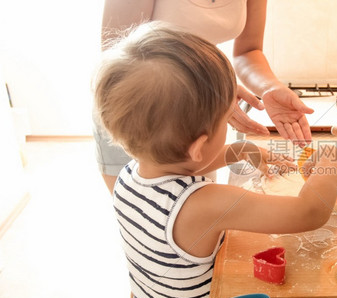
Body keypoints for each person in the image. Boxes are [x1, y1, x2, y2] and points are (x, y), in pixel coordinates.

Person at [93, 22, 337, 298]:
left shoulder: (130, 175)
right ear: (199, 145)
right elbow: (309, 212)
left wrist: (244, 150)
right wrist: (332, 158)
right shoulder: (203, 204)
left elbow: (188, 165)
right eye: (227, 117)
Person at [96, 0, 314, 193]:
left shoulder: (200, 144)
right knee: (145, 211)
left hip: (198, 109)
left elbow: (248, 51)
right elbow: (119, 61)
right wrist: (210, 86)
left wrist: (268, 87)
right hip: (139, 109)